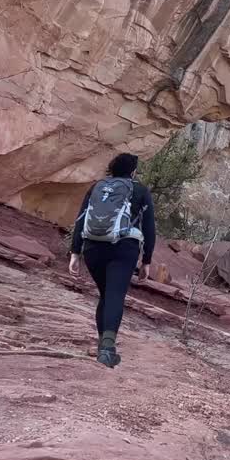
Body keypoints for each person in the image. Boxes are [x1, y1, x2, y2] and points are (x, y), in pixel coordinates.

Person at [68, 153, 156, 368]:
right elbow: (149, 228)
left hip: (93, 248)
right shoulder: (140, 190)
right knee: (115, 295)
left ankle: (103, 346)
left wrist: (75, 253)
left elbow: (81, 219)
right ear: (133, 171)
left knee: (106, 295)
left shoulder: (98, 187)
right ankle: (107, 349)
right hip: (123, 248)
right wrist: (146, 261)